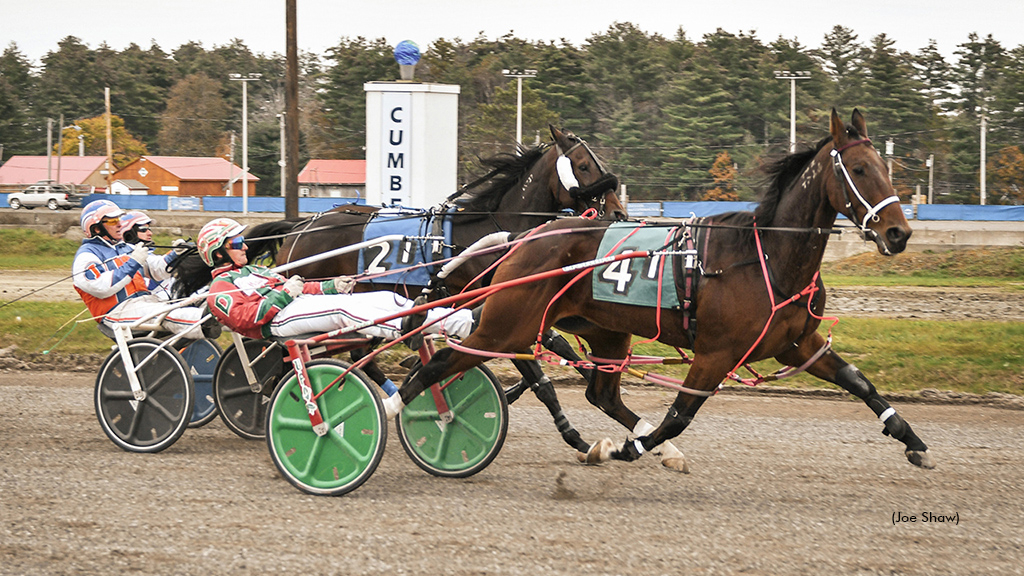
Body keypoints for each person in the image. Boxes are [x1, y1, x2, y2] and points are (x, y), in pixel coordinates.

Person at [197, 217, 474, 344]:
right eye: (237, 242)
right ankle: (402, 329)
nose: (245, 246)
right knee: (342, 310)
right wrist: (284, 295)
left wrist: (333, 286)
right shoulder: (220, 289)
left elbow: (302, 287)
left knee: (383, 298)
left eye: (243, 241)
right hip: (276, 323)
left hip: (296, 305)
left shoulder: (256, 272)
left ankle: (462, 322)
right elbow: (246, 319)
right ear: (217, 251)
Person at [73, 199, 208, 339]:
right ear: (96, 228)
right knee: (167, 314)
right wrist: (134, 262)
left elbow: (156, 269)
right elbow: (101, 288)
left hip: (145, 303)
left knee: (192, 303)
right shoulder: (86, 256)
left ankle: (222, 318)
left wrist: (176, 254)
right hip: (117, 313)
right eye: (113, 221)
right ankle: (205, 323)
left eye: (118, 219)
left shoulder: (125, 248)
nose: (119, 224)